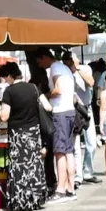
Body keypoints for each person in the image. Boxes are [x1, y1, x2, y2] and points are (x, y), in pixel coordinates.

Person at [0, 63, 49, 211]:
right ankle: (36, 199)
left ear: (10, 75)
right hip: (33, 133)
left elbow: (4, 116)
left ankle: (20, 201)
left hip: (18, 134)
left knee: (19, 168)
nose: (5, 80)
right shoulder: (33, 88)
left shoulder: (9, 92)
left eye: (5, 77)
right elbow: (48, 107)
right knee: (34, 165)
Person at [37, 51, 78, 200]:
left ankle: (60, 189)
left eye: (39, 61)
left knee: (59, 152)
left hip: (60, 112)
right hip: (69, 111)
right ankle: (70, 187)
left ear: (45, 57)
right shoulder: (65, 67)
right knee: (68, 151)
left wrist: (45, 96)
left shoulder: (54, 67)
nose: (39, 65)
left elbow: (58, 89)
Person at [65, 53, 99, 184]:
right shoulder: (65, 73)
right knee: (76, 146)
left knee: (92, 143)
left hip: (87, 109)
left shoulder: (85, 69)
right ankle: (78, 175)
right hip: (74, 109)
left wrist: (77, 69)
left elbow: (91, 82)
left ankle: (88, 172)